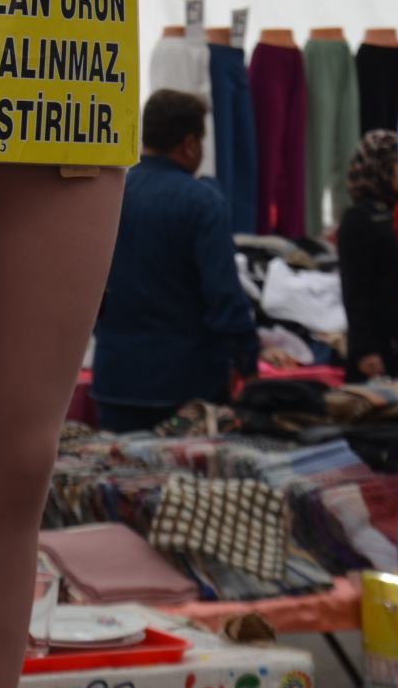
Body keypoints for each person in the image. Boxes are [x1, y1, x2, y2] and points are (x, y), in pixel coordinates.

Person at [93, 90, 289, 433]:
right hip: (186, 383)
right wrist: (246, 359)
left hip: (116, 379)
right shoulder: (202, 203)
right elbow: (224, 295)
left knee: (118, 467)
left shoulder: (105, 196)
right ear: (189, 144)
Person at [337, 130, 398, 381]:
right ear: (380, 168)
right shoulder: (359, 220)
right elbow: (354, 290)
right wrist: (364, 349)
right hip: (377, 347)